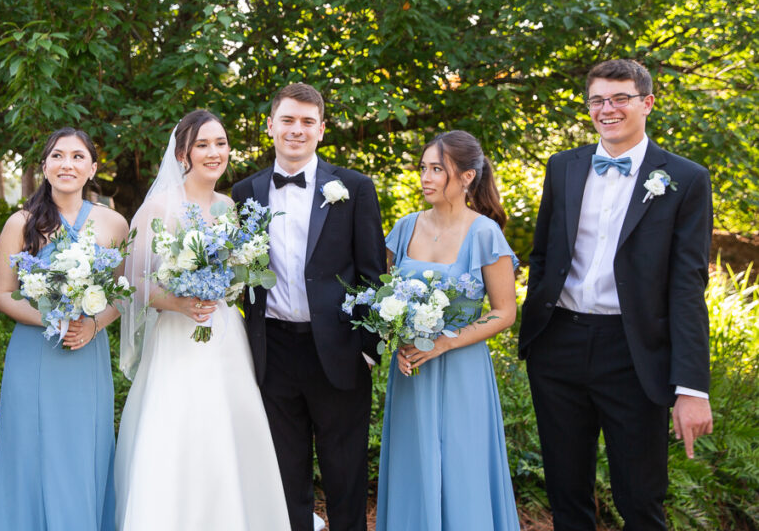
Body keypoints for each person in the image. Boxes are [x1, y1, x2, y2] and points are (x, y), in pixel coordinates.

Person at [520, 59, 714, 530]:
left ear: (647, 102)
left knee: (640, 499)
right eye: (598, 100)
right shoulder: (563, 166)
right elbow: (543, 253)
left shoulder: (686, 179)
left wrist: (692, 387)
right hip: (558, 345)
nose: (607, 109)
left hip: (634, 352)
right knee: (566, 495)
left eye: (620, 98)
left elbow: (688, 286)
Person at [114, 110, 290, 531]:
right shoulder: (157, 208)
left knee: (230, 428)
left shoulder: (229, 207)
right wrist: (176, 303)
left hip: (227, 337)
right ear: (182, 155)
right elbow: (128, 281)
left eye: (221, 143)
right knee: (182, 428)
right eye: (203, 145)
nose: (215, 152)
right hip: (178, 339)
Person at [232, 84, 385, 531]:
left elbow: (372, 272)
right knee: (284, 473)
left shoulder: (353, 188)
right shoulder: (245, 193)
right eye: (287, 120)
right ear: (271, 126)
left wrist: (367, 346)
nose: (296, 130)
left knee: (346, 473)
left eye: (306, 122)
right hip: (273, 349)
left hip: (339, 351)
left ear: (321, 129)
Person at [376, 130, 520, 530]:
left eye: (437, 169)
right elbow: (381, 294)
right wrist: (398, 333)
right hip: (411, 369)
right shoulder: (404, 228)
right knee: (413, 461)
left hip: (462, 369)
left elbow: (504, 312)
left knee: (462, 463)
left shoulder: (485, 233)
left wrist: (444, 342)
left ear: (468, 176)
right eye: (423, 168)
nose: (426, 177)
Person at [0, 128, 128, 530]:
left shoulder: (115, 224)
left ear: (93, 168)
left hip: (86, 351)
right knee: (30, 449)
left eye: (78, 157)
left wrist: (93, 324)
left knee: (82, 449)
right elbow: (3, 294)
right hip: (35, 351)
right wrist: (54, 318)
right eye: (58, 156)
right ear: (45, 166)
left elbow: (123, 293)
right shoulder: (21, 222)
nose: (67, 164)